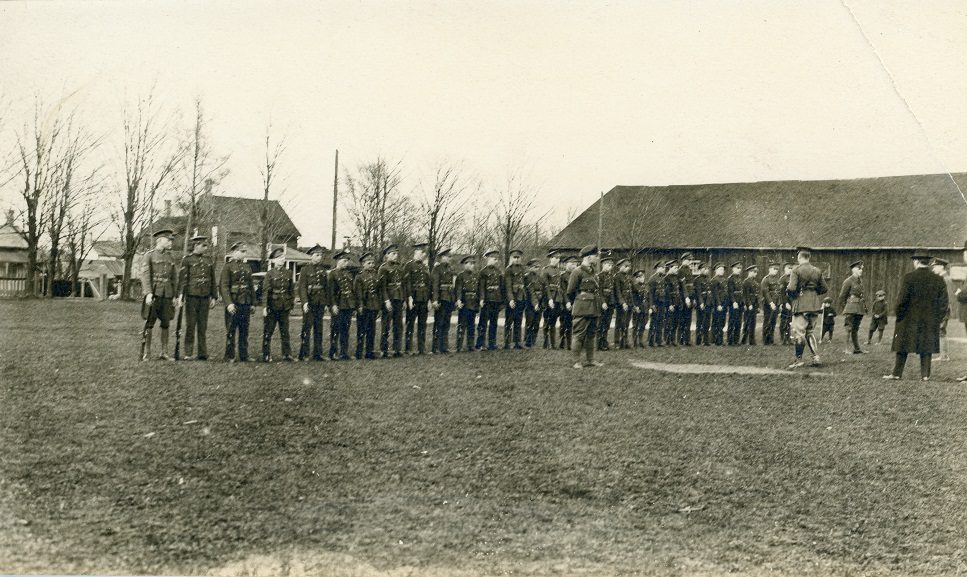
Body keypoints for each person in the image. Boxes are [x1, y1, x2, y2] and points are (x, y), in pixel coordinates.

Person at [883, 254, 947, 381]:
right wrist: (937, 319)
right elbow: (943, 303)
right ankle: (925, 375)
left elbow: (901, 300)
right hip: (929, 319)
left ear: (917, 261)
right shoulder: (938, 279)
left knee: (902, 345)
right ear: (928, 262)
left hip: (908, 319)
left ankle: (896, 373)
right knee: (926, 346)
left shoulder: (909, 278)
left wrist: (899, 315)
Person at [140, 229, 179, 360]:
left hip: (167, 294)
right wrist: (149, 293)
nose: (171, 243)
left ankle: (164, 352)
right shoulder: (149, 256)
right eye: (168, 240)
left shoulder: (171, 257)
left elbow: (174, 278)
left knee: (166, 323)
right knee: (149, 323)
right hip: (154, 294)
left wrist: (174, 295)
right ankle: (147, 352)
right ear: (160, 240)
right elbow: (145, 276)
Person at [176, 235, 217, 360]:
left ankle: (202, 353)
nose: (205, 248)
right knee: (191, 325)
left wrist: (214, 296)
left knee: (202, 326)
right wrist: (181, 295)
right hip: (192, 296)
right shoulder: (187, 260)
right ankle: (188, 353)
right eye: (203, 246)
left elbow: (212, 279)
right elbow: (183, 279)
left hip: (204, 297)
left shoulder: (209, 260)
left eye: (206, 245)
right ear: (195, 246)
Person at [787, 247, 828, 368]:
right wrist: (813, 293)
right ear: (809, 258)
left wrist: (792, 295)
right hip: (814, 304)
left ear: (799, 257)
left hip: (801, 304)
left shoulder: (796, 270)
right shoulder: (817, 270)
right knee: (810, 332)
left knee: (799, 333)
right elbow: (824, 288)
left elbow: (791, 288)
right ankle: (816, 357)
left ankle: (798, 359)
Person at [567, 245, 605, 368]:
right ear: (589, 257)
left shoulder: (593, 272)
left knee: (591, 334)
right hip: (582, 307)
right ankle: (575, 361)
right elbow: (570, 291)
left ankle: (590, 360)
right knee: (579, 334)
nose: (597, 258)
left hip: (594, 307)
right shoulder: (577, 272)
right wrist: (578, 302)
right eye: (595, 256)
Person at [220, 241, 256, 362]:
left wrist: (252, 303)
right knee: (231, 329)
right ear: (235, 252)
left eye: (245, 251)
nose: (244, 254)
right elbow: (224, 286)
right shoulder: (228, 267)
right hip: (233, 302)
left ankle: (244, 355)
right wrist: (228, 303)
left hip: (245, 302)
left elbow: (251, 286)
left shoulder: (247, 267)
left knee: (244, 330)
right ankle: (229, 355)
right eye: (242, 251)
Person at [260, 247, 295, 362]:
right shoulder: (269, 274)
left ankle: (287, 354)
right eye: (279, 258)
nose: (282, 260)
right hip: (272, 306)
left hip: (284, 306)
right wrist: (265, 307)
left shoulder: (289, 273)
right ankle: (266, 354)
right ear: (274, 260)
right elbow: (265, 291)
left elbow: (291, 290)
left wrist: (291, 304)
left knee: (285, 331)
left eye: (283, 258)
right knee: (268, 331)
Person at [297, 244, 329, 361]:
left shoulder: (323, 270)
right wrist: (304, 302)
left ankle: (318, 353)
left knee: (318, 328)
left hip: (320, 302)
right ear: (311, 256)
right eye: (317, 255)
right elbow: (302, 287)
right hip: (310, 302)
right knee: (307, 328)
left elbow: (325, 288)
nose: (319, 257)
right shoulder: (305, 270)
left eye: (320, 255)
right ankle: (304, 354)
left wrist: (325, 303)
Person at [403, 243, 432, 355]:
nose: (423, 255)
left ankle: (421, 348)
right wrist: (409, 298)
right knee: (410, 323)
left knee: (422, 324)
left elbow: (428, 284)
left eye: (424, 253)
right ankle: (408, 348)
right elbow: (407, 283)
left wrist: (429, 299)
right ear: (416, 252)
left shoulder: (425, 267)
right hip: (413, 298)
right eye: (421, 252)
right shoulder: (409, 266)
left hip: (423, 299)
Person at [378, 244, 405, 358]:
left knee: (398, 325)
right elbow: (382, 287)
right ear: (387, 255)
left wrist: (403, 299)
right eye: (393, 254)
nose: (395, 256)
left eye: (396, 254)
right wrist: (386, 300)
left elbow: (402, 285)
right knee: (386, 325)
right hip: (389, 299)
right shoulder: (383, 268)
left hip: (398, 298)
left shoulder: (399, 268)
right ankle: (384, 350)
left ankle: (396, 349)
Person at [329, 250, 356, 360]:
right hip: (338, 304)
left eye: (347, 261)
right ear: (338, 261)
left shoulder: (349, 274)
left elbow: (351, 290)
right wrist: (333, 305)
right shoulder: (332, 273)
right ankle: (333, 352)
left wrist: (353, 305)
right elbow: (330, 292)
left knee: (346, 329)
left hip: (348, 304)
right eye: (344, 261)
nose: (346, 263)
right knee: (335, 329)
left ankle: (344, 352)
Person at [354, 252, 381, 359]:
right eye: (369, 263)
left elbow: (379, 292)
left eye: (372, 263)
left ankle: (369, 352)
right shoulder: (359, 276)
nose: (371, 265)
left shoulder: (376, 275)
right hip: (364, 306)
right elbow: (358, 293)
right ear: (363, 264)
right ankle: (359, 352)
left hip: (373, 305)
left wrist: (378, 308)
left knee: (372, 330)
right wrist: (360, 306)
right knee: (361, 330)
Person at [837, 260, 868, 354]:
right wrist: (846, 307)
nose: (861, 271)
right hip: (851, 307)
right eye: (859, 269)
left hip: (859, 308)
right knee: (849, 328)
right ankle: (846, 349)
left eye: (861, 269)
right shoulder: (848, 281)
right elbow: (842, 296)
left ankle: (857, 349)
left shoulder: (860, 281)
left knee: (855, 328)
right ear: (854, 270)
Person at [476, 249, 503, 351]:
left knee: (494, 323)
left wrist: (501, 301)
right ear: (488, 258)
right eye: (493, 258)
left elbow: (501, 287)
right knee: (483, 323)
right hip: (487, 301)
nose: (495, 261)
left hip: (496, 300)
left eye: (496, 259)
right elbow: (481, 287)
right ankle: (480, 344)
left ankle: (492, 344)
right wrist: (482, 299)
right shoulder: (483, 272)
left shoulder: (498, 272)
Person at [430, 248, 456, 354]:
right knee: (439, 323)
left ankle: (444, 347)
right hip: (441, 299)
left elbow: (452, 286)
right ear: (442, 257)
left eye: (450, 257)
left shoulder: (450, 269)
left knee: (446, 323)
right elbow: (435, 286)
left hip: (448, 298)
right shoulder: (437, 269)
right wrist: (435, 300)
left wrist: (453, 300)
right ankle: (435, 347)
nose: (450, 259)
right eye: (448, 257)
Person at [454, 255, 479, 352]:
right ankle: (459, 346)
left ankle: (470, 345)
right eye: (470, 264)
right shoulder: (460, 276)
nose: (473, 265)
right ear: (465, 265)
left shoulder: (475, 276)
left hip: (473, 303)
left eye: (473, 264)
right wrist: (459, 300)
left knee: (471, 326)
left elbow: (477, 290)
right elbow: (458, 290)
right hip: (464, 304)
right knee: (462, 325)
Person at [503, 249, 527, 350]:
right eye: (515, 257)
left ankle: (517, 342)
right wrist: (511, 299)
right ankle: (507, 343)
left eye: (518, 258)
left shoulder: (522, 269)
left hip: (521, 297)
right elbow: (508, 286)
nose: (517, 260)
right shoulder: (508, 270)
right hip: (512, 298)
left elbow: (524, 284)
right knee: (509, 321)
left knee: (518, 320)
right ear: (511, 258)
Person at [932, 257, 955, 362]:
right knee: (940, 331)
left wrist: (944, 311)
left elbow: (949, 296)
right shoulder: (941, 278)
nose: (933, 269)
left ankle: (944, 356)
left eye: (935, 266)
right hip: (940, 309)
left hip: (943, 309)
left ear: (941, 267)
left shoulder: (945, 279)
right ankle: (943, 355)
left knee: (941, 331)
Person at [541, 251, 563, 349]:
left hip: (557, 298)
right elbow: (545, 286)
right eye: (554, 257)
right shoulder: (545, 270)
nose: (556, 260)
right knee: (547, 321)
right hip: (548, 298)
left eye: (558, 258)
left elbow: (560, 286)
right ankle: (546, 343)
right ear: (550, 258)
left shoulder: (559, 271)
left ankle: (553, 344)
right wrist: (549, 299)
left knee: (554, 320)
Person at [523, 258, 546, 348]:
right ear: (530, 267)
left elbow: (543, 290)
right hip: (530, 303)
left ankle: (533, 340)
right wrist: (535, 303)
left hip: (539, 302)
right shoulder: (527, 277)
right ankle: (528, 341)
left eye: (538, 267)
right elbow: (530, 291)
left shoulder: (540, 278)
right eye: (535, 267)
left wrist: (541, 303)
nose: (537, 269)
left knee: (537, 322)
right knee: (530, 322)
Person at [596, 255, 618, 350]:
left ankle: (604, 341)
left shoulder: (612, 277)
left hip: (610, 303)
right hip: (603, 303)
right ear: (603, 265)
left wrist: (613, 302)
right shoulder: (599, 276)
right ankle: (598, 343)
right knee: (600, 323)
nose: (610, 267)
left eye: (611, 265)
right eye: (608, 265)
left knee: (607, 323)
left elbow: (612, 291)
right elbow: (599, 291)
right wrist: (603, 302)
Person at [558, 256, 578, 350]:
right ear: (567, 264)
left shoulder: (577, 275)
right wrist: (567, 302)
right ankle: (563, 341)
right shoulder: (563, 276)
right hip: (565, 303)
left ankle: (571, 343)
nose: (574, 266)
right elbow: (563, 290)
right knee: (564, 323)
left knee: (575, 324)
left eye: (575, 264)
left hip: (575, 302)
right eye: (572, 264)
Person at [759, 261, 781, 345]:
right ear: (769, 269)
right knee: (767, 321)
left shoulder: (776, 279)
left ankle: (771, 340)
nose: (775, 271)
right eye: (774, 269)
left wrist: (779, 303)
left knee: (773, 322)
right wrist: (771, 303)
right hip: (768, 304)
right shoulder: (765, 279)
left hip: (776, 303)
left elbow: (778, 292)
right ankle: (765, 340)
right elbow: (766, 292)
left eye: (777, 269)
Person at [613, 258, 633, 349]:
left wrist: (631, 303)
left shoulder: (628, 277)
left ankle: (625, 341)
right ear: (620, 267)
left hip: (628, 302)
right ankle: (617, 342)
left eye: (628, 266)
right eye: (626, 266)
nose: (628, 268)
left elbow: (630, 291)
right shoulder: (617, 277)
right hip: (621, 304)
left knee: (627, 323)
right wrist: (622, 303)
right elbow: (617, 291)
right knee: (619, 323)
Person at [677, 253, 696, 345]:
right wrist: (686, 298)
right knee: (682, 319)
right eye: (688, 260)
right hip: (684, 297)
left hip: (690, 295)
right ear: (683, 260)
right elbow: (683, 285)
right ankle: (681, 340)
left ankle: (687, 340)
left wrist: (693, 297)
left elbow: (691, 285)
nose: (689, 262)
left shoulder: (689, 270)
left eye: (690, 260)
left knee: (688, 319)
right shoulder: (680, 270)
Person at [709, 262, 728, 346]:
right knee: (717, 322)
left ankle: (718, 339)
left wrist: (725, 304)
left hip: (723, 303)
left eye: (723, 270)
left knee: (722, 322)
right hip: (718, 304)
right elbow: (715, 294)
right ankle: (716, 340)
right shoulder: (714, 280)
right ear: (716, 270)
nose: (722, 271)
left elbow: (725, 292)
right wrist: (719, 304)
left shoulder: (724, 279)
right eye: (720, 269)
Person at [647, 261, 666, 346]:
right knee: (653, 322)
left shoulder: (662, 278)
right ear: (658, 268)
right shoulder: (652, 279)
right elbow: (650, 293)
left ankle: (658, 341)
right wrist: (651, 305)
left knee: (660, 322)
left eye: (664, 267)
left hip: (661, 303)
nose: (664, 269)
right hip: (655, 303)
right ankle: (651, 341)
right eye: (663, 268)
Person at [740, 264, 759, 345]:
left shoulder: (755, 282)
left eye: (756, 272)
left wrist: (757, 306)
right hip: (749, 305)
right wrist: (749, 304)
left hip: (754, 304)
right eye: (753, 272)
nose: (755, 274)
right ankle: (744, 340)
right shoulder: (746, 282)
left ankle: (752, 340)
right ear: (749, 272)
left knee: (753, 323)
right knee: (747, 322)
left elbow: (756, 295)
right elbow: (746, 295)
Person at [693, 261, 711, 346]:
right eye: (705, 269)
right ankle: (698, 340)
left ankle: (706, 340)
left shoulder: (708, 279)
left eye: (707, 269)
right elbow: (698, 293)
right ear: (700, 270)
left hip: (708, 303)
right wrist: (701, 303)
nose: (706, 270)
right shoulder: (697, 280)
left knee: (707, 322)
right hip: (701, 303)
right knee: (700, 322)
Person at [726, 262, 744, 346]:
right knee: (732, 321)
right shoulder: (730, 279)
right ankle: (730, 340)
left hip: (740, 302)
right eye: (737, 268)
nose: (739, 270)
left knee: (738, 322)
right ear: (733, 269)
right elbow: (730, 292)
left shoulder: (740, 278)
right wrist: (734, 302)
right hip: (734, 303)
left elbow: (741, 292)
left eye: (740, 268)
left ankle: (736, 340)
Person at [631, 269, 649, 348]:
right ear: (636, 278)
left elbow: (648, 297)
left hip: (645, 308)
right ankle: (635, 342)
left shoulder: (645, 286)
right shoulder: (634, 287)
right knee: (636, 325)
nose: (642, 278)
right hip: (638, 308)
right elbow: (633, 298)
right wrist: (635, 306)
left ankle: (640, 340)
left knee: (643, 324)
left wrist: (648, 307)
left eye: (643, 277)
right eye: (640, 277)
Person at [778, 262, 795, 345]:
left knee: (789, 321)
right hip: (785, 302)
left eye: (791, 268)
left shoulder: (794, 278)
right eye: (788, 268)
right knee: (784, 321)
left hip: (792, 302)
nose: (790, 270)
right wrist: (785, 303)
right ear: (784, 269)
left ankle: (788, 338)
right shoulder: (782, 279)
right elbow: (781, 293)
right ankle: (783, 339)